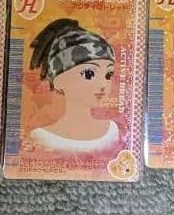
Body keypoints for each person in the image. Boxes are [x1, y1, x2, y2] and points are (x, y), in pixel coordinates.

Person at [28, 19, 119, 153]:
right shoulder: (40, 138)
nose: (103, 84)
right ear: (58, 81)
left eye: (108, 74)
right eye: (89, 74)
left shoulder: (112, 131)